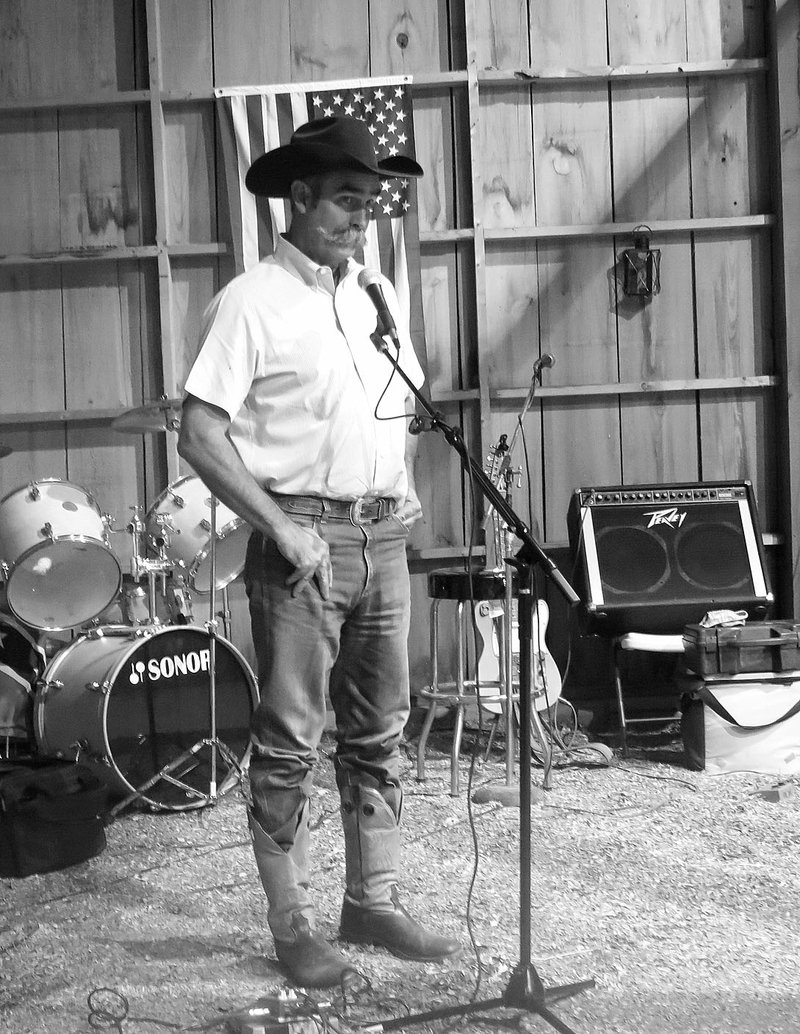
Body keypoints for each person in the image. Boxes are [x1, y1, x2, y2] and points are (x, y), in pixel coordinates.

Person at [177, 116, 460, 988]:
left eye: (368, 202)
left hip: (384, 536)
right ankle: (291, 922)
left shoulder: (375, 293)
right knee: (293, 738)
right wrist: (281, 526)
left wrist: (402, 491)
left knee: (378, 729)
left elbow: (402, 406)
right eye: (345, 198)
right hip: (302, 541)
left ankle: (371, 901)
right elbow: (198, 433)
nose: (359, 217)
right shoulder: (250, 301)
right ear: (297, 198)